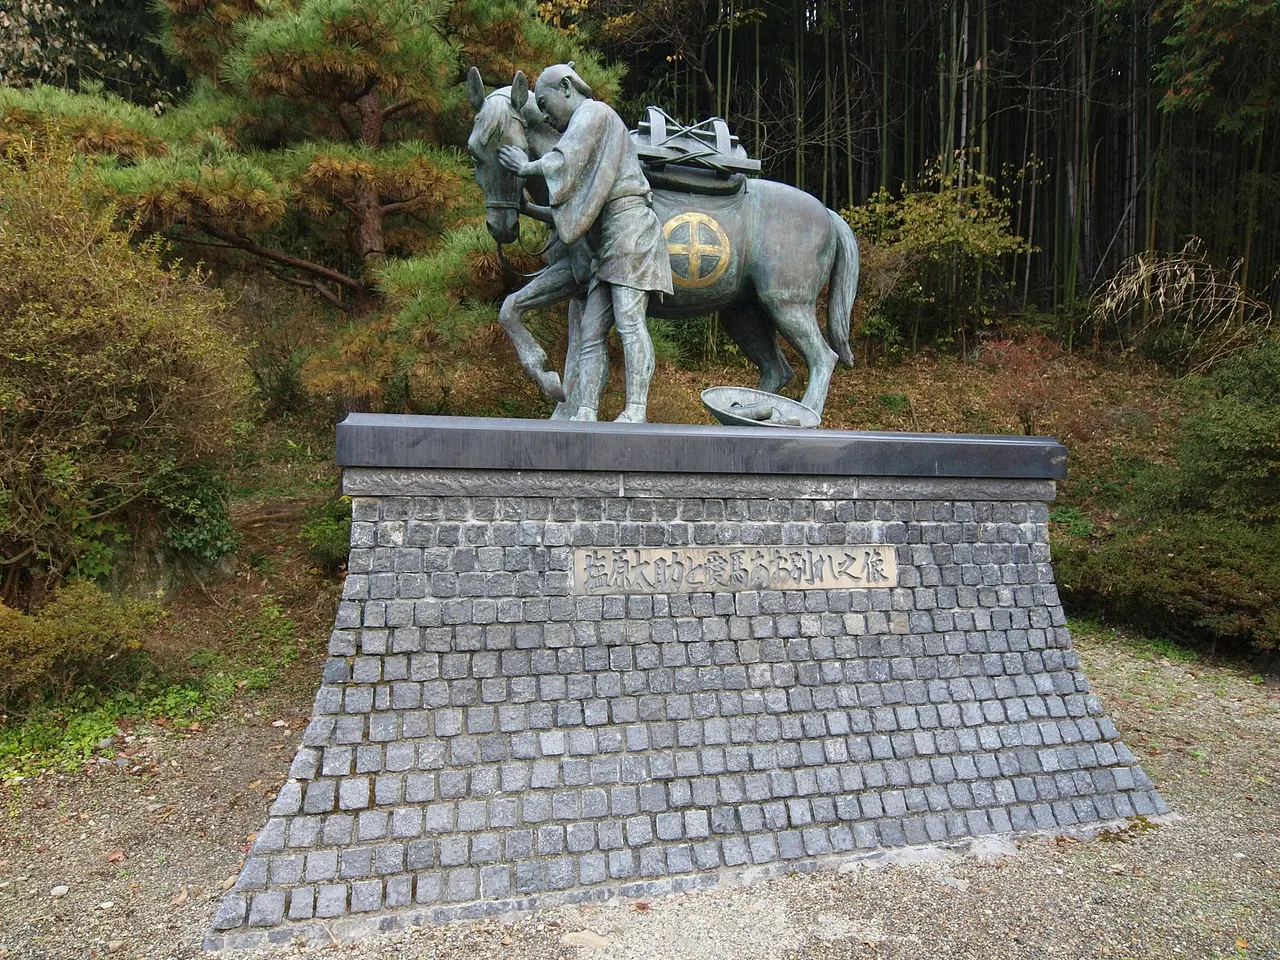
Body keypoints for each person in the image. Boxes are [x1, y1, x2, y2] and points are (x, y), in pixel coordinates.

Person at [498, 63, 673, 423]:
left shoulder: (594, 113)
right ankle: (586, 411)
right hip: (606, 241)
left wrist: (526, 167)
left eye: (545, 104)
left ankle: (636, 410)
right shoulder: (587, 125)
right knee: (591, 331)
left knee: (629, 320)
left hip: (630, 232)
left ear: (565, 87)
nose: (544, 114)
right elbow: (577, 211)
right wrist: (530, 207)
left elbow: (565, 159)